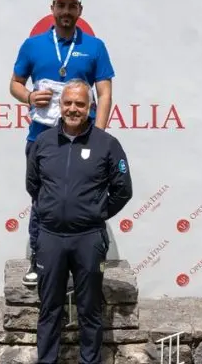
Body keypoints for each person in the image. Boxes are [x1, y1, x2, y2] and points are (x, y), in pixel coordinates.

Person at [9, 0, 115, 287]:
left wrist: (100, 134)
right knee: (42, 197)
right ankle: (38, 259)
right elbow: (14, 84)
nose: (66, 11)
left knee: (89, 193)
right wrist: (29, 98)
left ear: (80, 11)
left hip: (84, 136)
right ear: (52, 8)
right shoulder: (33, 45)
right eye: (61, 5)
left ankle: (92, 255)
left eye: (72, 6)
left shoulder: (95, 46)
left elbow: (104, 93)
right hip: (42, 137)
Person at [25, 79, 132, 364]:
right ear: (60, 105)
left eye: (80, 104)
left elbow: (123, 190)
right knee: (49, 308)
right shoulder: (43, 143)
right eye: (68, 103)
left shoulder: (107, 144)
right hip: (50, 238)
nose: (73, 109)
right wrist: (54, 212)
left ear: (91, 107)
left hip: (89, 239)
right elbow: (33, 185)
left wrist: (94, 213)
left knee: (90, 310)